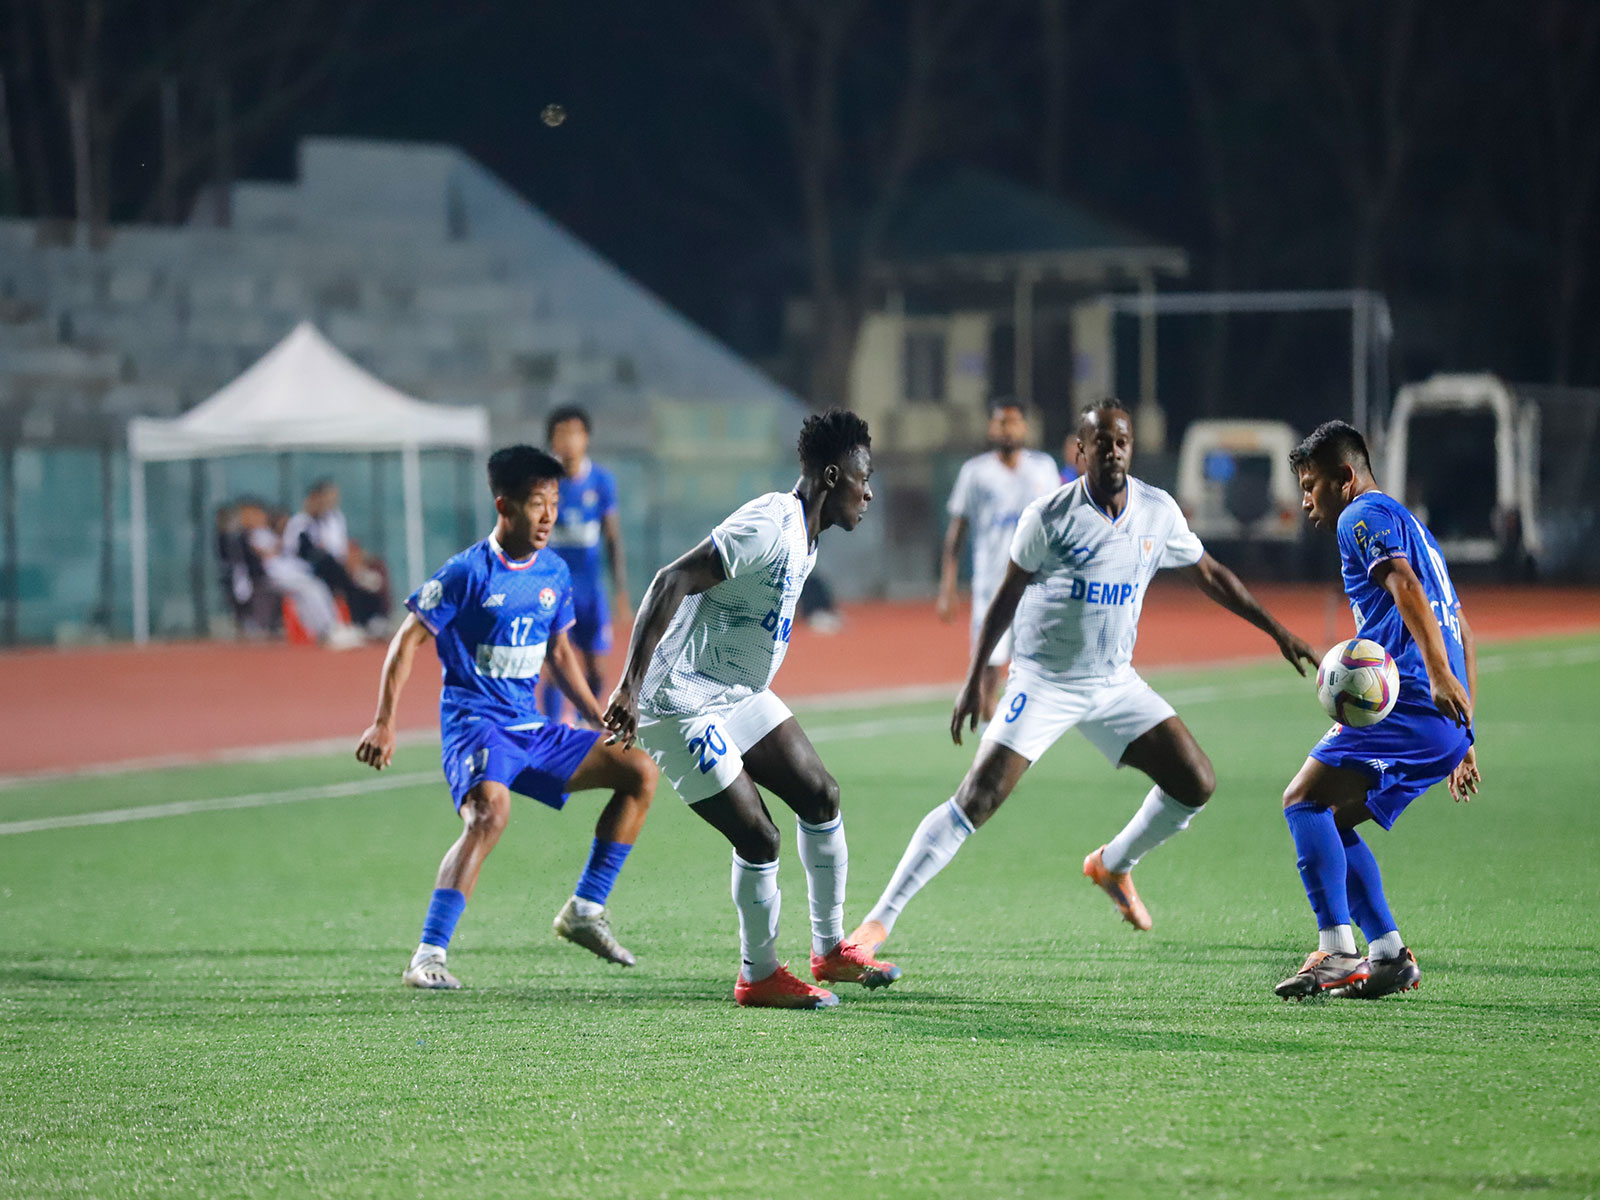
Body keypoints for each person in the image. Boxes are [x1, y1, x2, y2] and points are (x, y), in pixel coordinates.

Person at [849, 400, 1317, 961]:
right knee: (976, 797)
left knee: (1195, 782)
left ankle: (1114, 864)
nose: (1113, 450)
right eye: (1101, 442)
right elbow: (1005, 595)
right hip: (1043, 680)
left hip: (1114, 682)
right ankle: (875, 925)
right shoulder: (1049, 516)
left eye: (1121, 441)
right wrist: (976, 676)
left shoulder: (1157, 510)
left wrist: (1276, 630)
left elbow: (1210, 574)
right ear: (1081, 451)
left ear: (1130, 449)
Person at [602, 410, 899, 1009]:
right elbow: (669, 580)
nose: (869, 492)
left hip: (735, 691)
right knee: (759, 837)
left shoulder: (808, 538)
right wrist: (631, 687)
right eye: (863, 479)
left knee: (821, 795)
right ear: (832, 475)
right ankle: (758, 975)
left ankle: (830, 951)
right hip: (680, 700)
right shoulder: (770, 523)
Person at [355, 445, 660, 990]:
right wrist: (384, 721)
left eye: (555, 503)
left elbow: (559, 653)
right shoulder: (466, 573)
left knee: (639, 770)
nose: (550, 516)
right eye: (538, 504)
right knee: (489, 816)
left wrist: (597, 717)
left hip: (531, 728)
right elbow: (407, 640)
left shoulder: (553, 572)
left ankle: (586, 910)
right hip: (477, 726)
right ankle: (427, 956)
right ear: (505, 506)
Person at [1272, 420, 1477, 1000]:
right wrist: (1465, 733)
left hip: (1408, 702)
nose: (1306, 500)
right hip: (1437, 721)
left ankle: (1336, 950)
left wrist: (1435, 678)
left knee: (1302, 801)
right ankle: (1388, 956)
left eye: (1311, 486)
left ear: (1345, 477)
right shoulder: (1416, 529)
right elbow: (1460, 626)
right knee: (1333, 822)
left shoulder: (1359, 517)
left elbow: (1407, 590)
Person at [938, 400, 1062, 721]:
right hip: (991, 586)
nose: (1007, 428)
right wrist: (947, 585)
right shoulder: (975, 473)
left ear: (1025, 427)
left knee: (1034, 664)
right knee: (989, 668)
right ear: (992, 427)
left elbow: (1060, 524)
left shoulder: (1043, 468)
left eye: (1014, 421)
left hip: (1036, 584)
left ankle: (1019, 733)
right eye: (1001, 422)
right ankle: (991, 736)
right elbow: (957, 533)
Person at [540, 407, 630, 725]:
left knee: (596, 668)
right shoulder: (544, 483)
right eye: (561, 433)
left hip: (591, 591)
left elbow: (612, 539)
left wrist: (620, 590)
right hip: (553, 591)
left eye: (574, 433)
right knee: (553, 666)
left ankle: (582, 726)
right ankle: (551, 731)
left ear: (586, 438)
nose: (568, 440)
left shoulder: (602, 481)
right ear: (551, 440)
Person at [242, 503, 364, 649]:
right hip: (270, 575)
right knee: (311, 589)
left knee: (313, 589)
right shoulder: (248, 535)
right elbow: (264, 554)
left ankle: (328, 629)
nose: (260, 517)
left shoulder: (266, 532)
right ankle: (328, 630)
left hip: (285, 572)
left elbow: (278, 550)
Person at [285, 480, 390, 634]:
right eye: (327, 497)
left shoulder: (336, 518)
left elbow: (341, 547)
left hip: (339, 565)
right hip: (313, 568)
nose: (330, 501)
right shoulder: (300, 522)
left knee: (375, 570)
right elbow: (298, 552)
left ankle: (375, 620)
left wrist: (354, 562)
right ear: (315, 498)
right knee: (341, 574)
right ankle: (352, 624)